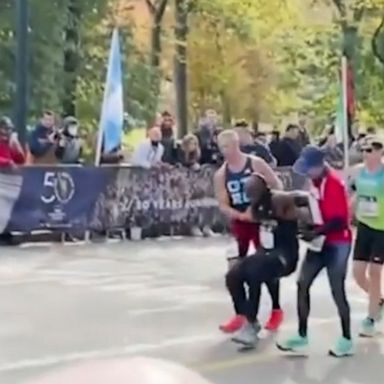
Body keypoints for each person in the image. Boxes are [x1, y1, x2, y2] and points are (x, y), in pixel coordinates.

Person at [277, 145, 353, 357]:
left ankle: (347, 339)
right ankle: (302, 335)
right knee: (302, 283)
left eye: (309, 168)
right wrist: (309, 228)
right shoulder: (314, 182)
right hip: (319, 241)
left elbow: (340, 220)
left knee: (337, 290)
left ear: (320, 166)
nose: (307, 173)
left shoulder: (334, 184)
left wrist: (316, 231)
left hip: (337, 242)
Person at [214, 129, 284, 334]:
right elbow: (222, 204)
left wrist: (262, 207)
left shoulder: (254, 163)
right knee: (234, 269)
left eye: (228, 146)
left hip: (261, 221)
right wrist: (240, 215)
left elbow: (276, 184)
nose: (225, 151)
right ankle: (241, 313)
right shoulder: (221, 174)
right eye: (222, 147)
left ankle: (276, 308)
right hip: (241, 223)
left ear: (236, 145)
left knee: (265, 266)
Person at [226, 173, 304, 348]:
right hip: (265, 253)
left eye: (253, 192)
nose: (251, 197)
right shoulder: (255, 206)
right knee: (233, 275)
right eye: (248, 194)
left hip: (285, 255)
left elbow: (301, 205)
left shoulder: (279, 200)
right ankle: (247, 317)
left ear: (263, 189)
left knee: (255, 273)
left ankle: (252, 326)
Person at [350, 135, 384, 337]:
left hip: (382, 229)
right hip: (364, 226)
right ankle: (379, 300)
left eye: (370, 150)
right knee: (357, 272)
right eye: (363, 150)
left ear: (380, 152)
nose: (366, 154)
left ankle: (370, 318)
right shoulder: (358, 172)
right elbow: (357, 194)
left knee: (375, 272)